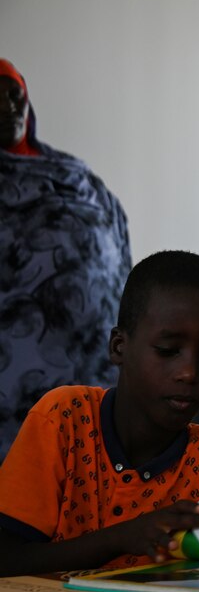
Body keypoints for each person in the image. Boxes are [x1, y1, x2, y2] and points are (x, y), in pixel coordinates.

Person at [0, 250, 199, 577]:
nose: (189, 372)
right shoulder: (63, 419)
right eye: (168, 351)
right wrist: (119, 538)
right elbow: (7, 560)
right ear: (119, 347)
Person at [0, 59, 132, 462]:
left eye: (14, 94)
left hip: (95, 379)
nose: (8, 106)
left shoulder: (77, 176)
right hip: (13, 394)